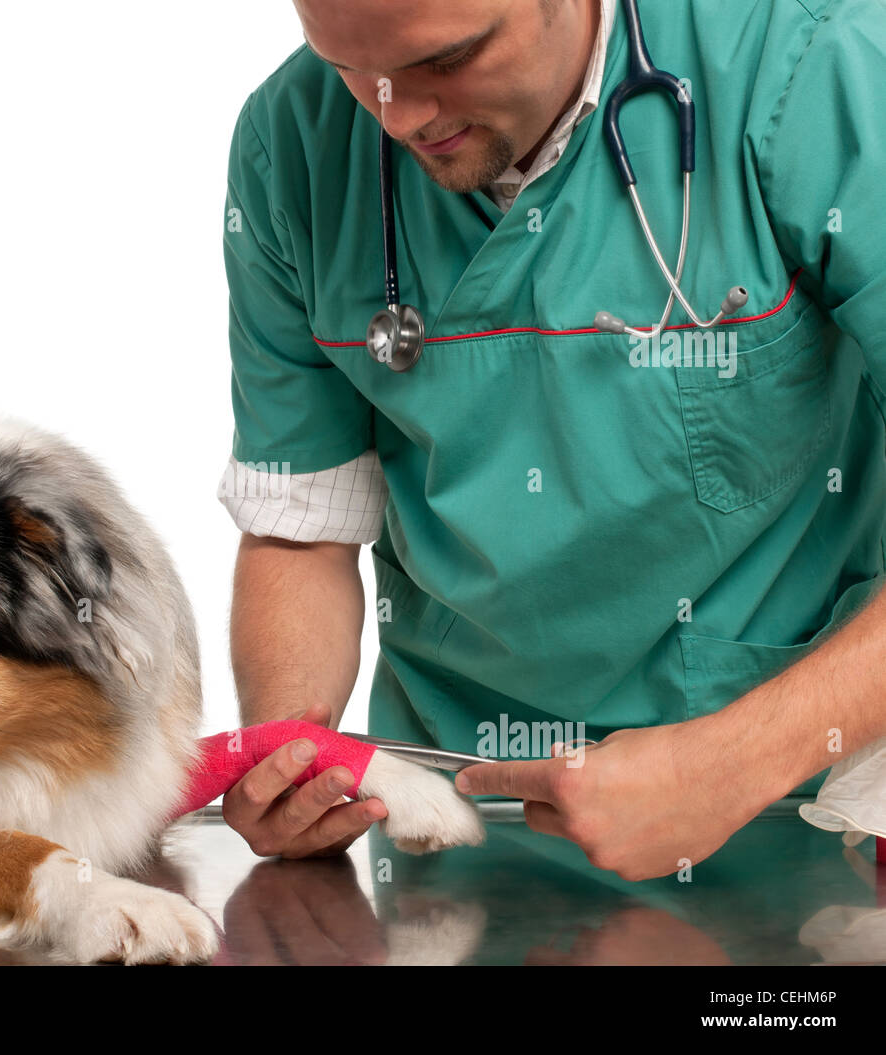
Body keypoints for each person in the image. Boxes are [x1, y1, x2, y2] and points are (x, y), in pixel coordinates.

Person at [215, 0, 886, 879]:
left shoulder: (813, 65)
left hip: (795, 806)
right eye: (349, 65)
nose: (397, 115)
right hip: (461, 814)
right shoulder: (292, 144)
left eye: (447, 59)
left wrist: (733, 762)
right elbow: (303, 523)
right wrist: (294, 752)